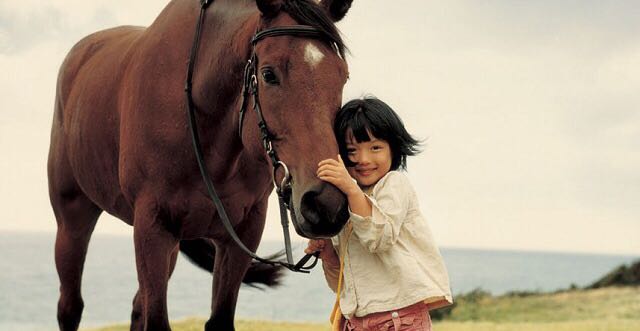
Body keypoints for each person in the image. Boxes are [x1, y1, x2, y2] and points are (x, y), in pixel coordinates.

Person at [305, 96, 453, 331]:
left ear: (394, 148)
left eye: (375, 148)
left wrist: (351, 189)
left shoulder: (394, 185)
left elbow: (378, 238)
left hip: (398, 319)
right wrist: (328, 256)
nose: (363, 160)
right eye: (352, 150)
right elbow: (343, 285)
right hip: (355, 321)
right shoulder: (346, 199)